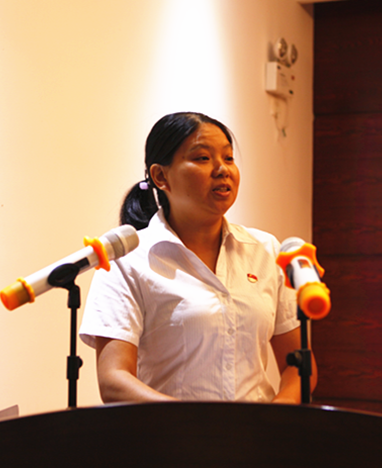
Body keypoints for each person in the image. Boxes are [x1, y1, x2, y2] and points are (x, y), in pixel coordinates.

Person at [79, 112, 317, 404]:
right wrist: (195, 422)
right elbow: (114, 380)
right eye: (203, 158)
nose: (222, 169)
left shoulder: (265, 250)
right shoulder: (126, 261)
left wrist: (271, 419)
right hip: (170, 431)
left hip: (257, 431)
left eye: (229, 158)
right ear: (160, 176)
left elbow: (299, 367)